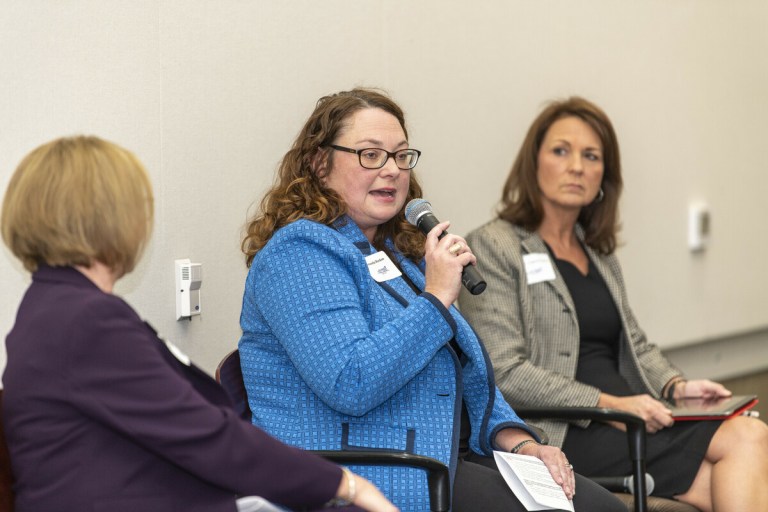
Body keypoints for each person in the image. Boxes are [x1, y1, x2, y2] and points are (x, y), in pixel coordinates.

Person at [238, 87, 624, 511]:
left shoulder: (395, 254)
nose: (391, 170)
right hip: (375, 473)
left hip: (442, 456)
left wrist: (521, 443)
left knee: (602, 505)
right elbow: (351, 381)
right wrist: (436, 297)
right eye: (370, 155)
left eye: (401, 156)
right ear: (319, 163)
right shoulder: (299, 254)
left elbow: (465, 370)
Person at [1, 136, 397, 512]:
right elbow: (206, 436)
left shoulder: (51, 308)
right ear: (110, 217)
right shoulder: (86, 319)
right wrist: (346, 484)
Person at [458, 96, 768, 511]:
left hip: (631, 417)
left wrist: (678, 386)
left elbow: (635, 345)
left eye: (591, 156)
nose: (577, 167)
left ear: (604, 175)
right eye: (561, 151)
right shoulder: (494, 245)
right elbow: (504, 371)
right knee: (750, 437)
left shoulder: (598, 253)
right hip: (566, 428)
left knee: (727, 479)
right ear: (533, 164)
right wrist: (611, 404)